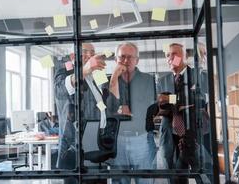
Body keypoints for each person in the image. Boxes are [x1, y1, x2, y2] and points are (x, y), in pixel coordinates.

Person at [106, 42, 156, 184]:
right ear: (116, 60)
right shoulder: (108, 81)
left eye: (130, 57)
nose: (126, 61)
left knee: (145, 181)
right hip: (117, 141)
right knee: (120, 181)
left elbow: (149, 108)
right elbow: (108, 110)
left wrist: (121, 109)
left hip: (141, 139)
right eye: (122, 57)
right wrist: (114, 77)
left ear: (137, 60)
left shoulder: (148, 80)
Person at [54, 43, 106, 169]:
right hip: (74, 143)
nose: (89, 55)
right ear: (73, 56)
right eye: (85, 52)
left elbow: (105, 99)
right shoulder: (64, 71)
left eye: (92, 53)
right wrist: (84, 70)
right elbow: (61, 89)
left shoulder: (96, 75)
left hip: (96, 137)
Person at [157, 43, 200, 183]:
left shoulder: (196, 75)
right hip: (169, 132)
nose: (170, 57)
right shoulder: (163, 80)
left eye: (175, 54)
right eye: (168, 55)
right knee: (173, 174)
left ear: (185, 56)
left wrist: (170, 98)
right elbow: (160, 105)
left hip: (190, 132)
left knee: (193, 171)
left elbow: (198, 100)